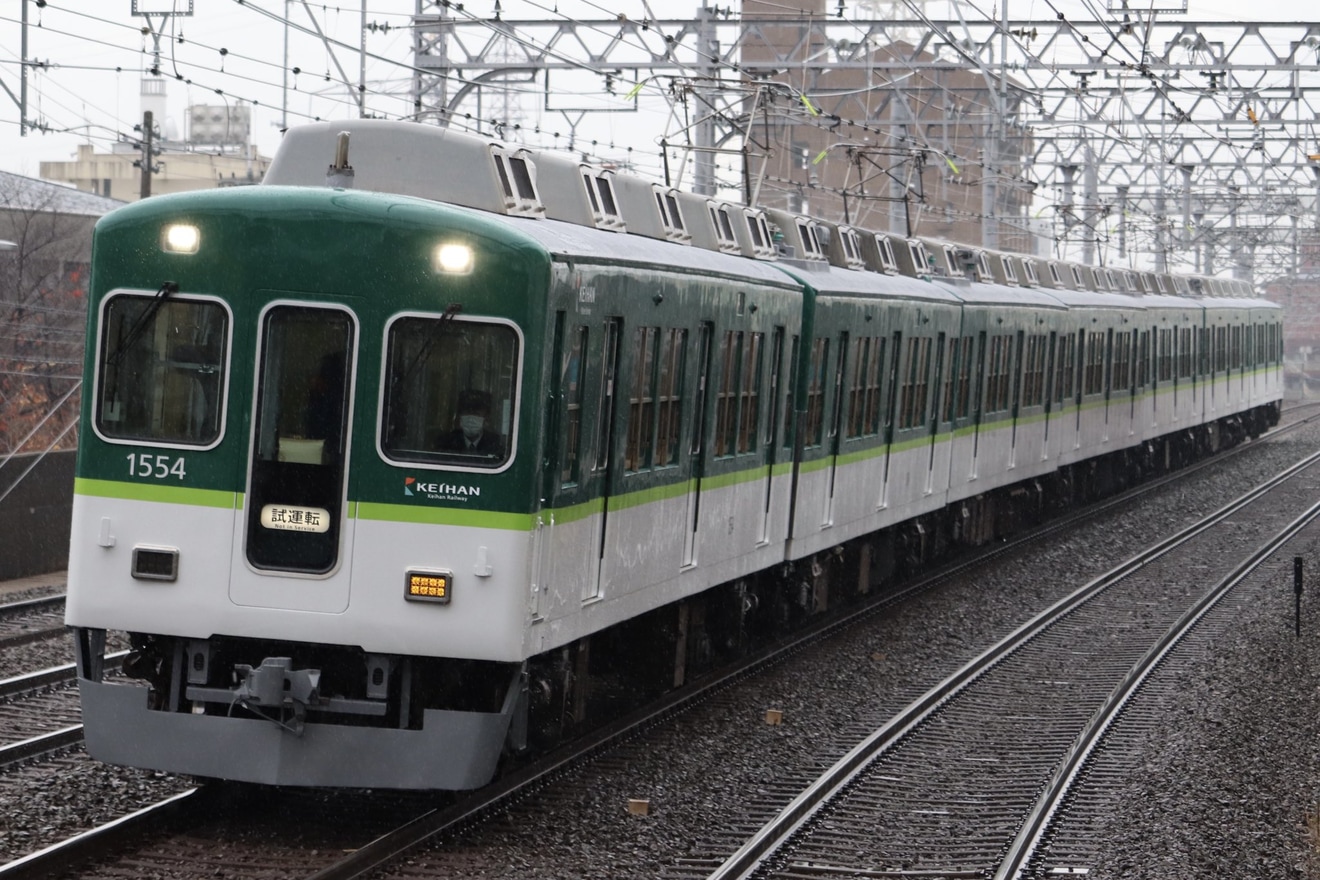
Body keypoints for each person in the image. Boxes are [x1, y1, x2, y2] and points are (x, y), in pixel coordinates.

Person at [437, 389, 503, 456]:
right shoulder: (446, 442)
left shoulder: (494, 443)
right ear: (459, 415)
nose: (471, 418)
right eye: (467, 412)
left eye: (476, 414)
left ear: (486, 418)